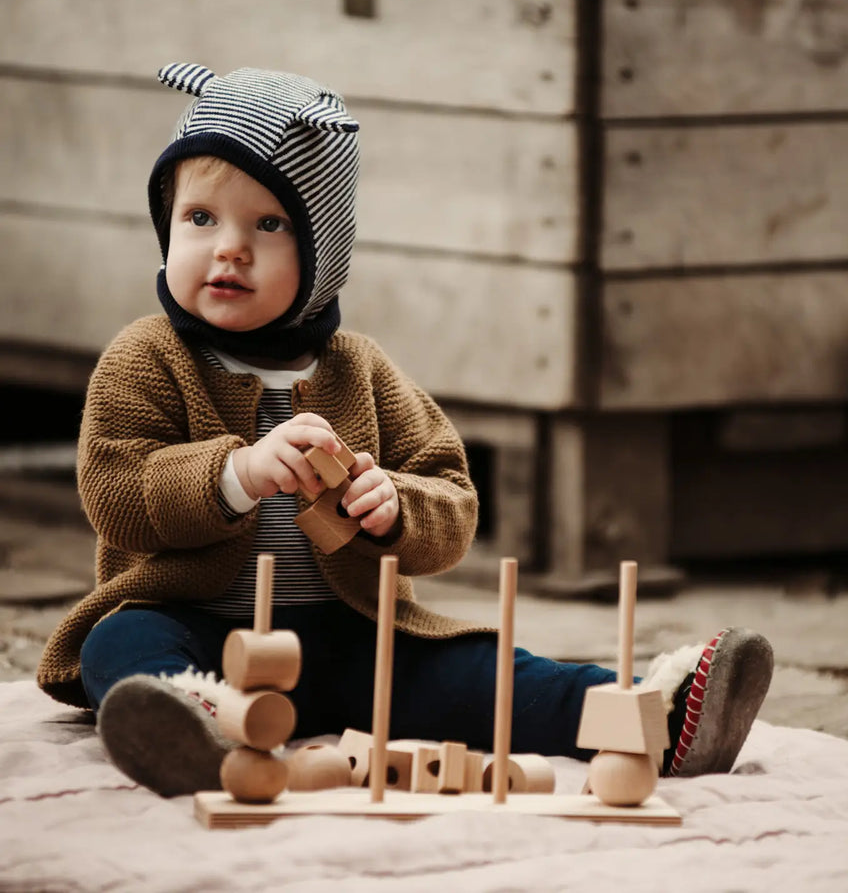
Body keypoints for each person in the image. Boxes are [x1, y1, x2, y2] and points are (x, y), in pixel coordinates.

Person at [36, 62, 774, 797]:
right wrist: (239, 474)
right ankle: (198, 725)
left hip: (355, 637)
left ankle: (649, 712)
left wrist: (394, 507)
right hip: (201, 630)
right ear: (166, 222)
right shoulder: (145, 357)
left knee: (486, 674)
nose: (229, 247)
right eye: (200, 218)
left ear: (323, 253)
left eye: (270, 224)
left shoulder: (362, 371)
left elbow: (453, 500)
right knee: (121, 643)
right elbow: (115, 490)